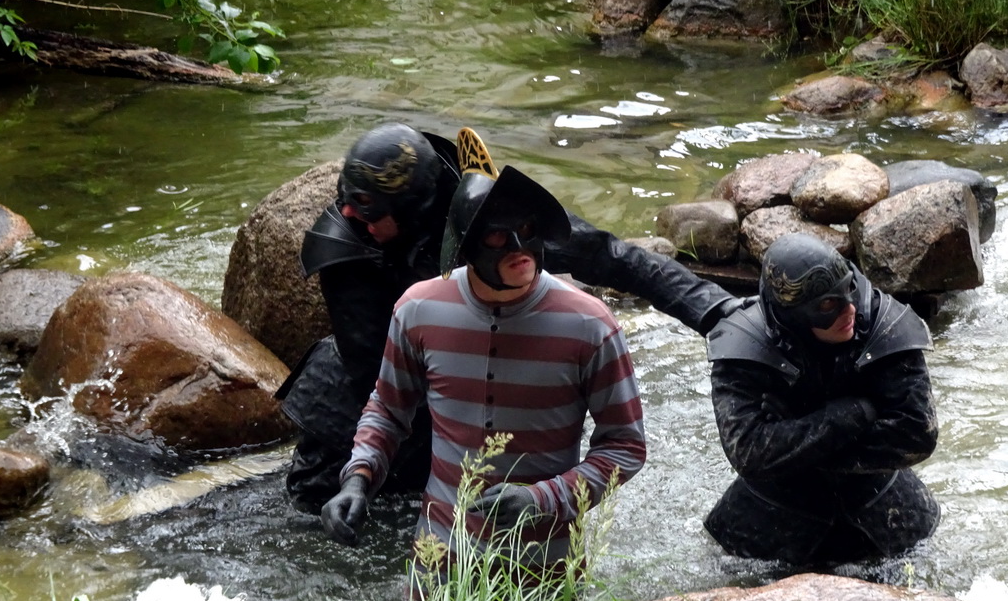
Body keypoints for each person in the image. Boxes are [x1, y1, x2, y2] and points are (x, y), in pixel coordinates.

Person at [278, 122, 738, 513]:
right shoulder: (348, 245)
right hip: (373, 381)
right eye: (349, 202)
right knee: (318, 503)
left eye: (369, 210)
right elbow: (376, 377)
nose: (350, 215)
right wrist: (362, 473)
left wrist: (717, 311)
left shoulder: (490, 220)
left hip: (463, 360)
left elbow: (608, 254)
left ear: (415, 207)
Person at [319, 161, 646, 583]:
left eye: (528, 231)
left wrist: (543, 498)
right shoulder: (418, 309)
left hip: (543, 566)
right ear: (466, 246)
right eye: (497, 236)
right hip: (440, 560)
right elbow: (387, 408)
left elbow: (625, 446)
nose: (519, 248)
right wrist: (358, 478)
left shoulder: (591, 325)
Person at [702, 232, 941, 564]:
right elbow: (749, 453)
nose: (850, 309)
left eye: (849, 290)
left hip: (882, 511)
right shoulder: (743, 347)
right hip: (772, 521)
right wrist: (851, 415)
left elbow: (916, 435)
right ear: (793, 313)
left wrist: (797, 432)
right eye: (829, 304)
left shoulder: (885, 328)